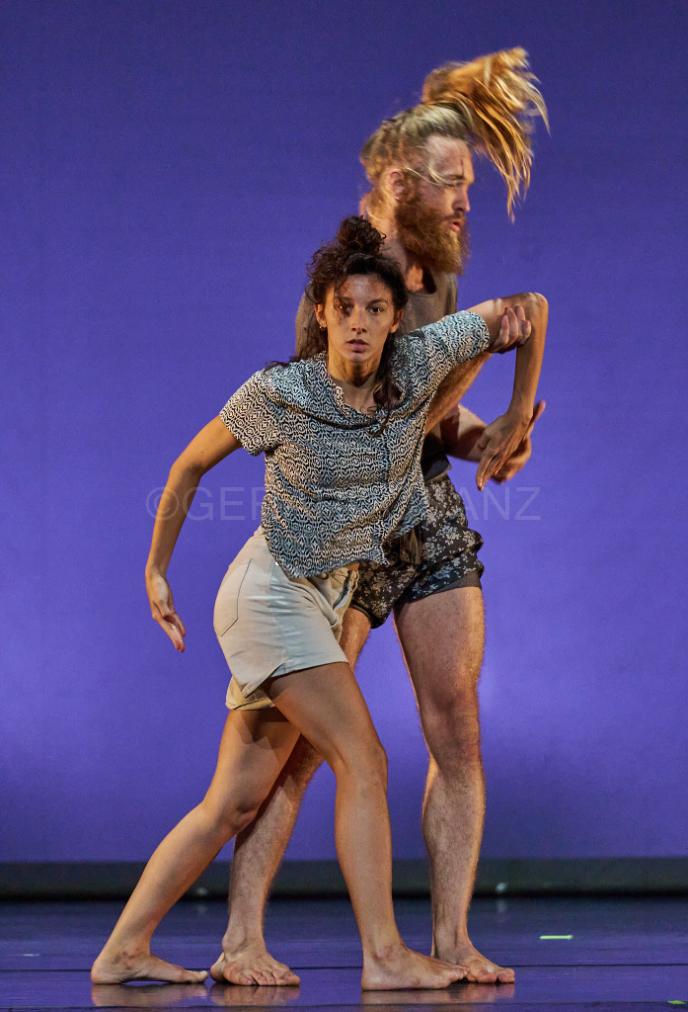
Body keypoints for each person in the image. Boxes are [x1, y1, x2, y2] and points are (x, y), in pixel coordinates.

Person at [90, 217, 532, 989]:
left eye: (374, 309)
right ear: (321, 313)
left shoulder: (418, 364)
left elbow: (529, 309)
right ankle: (385, 956)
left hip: (320, 602)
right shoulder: (281, 392)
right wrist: (157, 570)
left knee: (233, 802)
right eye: (344, 307)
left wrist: (518, 412)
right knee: (363, 758)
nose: (358, 322)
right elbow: (188, 467)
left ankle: (123, 949)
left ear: (395, 319)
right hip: (269, 596)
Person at [211, 48, 549, 987]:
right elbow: (344, 417)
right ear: (398, 184)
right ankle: (241, 938)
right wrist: (482, 398)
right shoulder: (353, 284)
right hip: (352, 524)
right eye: (451, 184)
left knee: (457, 729)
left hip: (423, 506)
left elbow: (432, 416)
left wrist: (494, 435)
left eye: (468, 186)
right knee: (298, 748)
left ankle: (451, 942)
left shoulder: (437, 273)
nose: (465, 203)